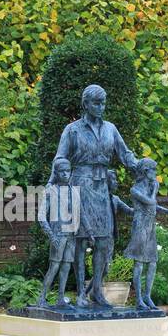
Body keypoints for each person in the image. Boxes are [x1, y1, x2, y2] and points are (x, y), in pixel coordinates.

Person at [53, 84, 139, 307]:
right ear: (85, 104)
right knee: (80, 242)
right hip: (80, 185)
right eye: (96, 103)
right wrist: (52, 189)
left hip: (102, 190)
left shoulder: (110, 128)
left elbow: (125, 153)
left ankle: (97, 291)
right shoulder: (72, 130)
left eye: (103, 103)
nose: (101, 107)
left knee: (103, 241)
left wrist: (139, 165)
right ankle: (81, 292)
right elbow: (59, 159)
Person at [116, 158, 168, 310]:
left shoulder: (151, 186)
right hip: (140, 226)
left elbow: (154, 206)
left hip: (150, 226)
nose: (155, 173)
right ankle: (139, 299)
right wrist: (154, 191)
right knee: (139, 263)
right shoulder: (136, 189)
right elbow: (150, 202)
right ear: (146, 171)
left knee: (152, 262)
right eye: (153, 170)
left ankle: (147, 295)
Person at [37, 158, 79, 307]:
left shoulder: (74, 191)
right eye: (62, 171)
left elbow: (79, 214)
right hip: (58, 235)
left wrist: (88, 232)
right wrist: (51, 235)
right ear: (56, 173)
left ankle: (61, 299)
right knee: (54, 267)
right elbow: (41, 216)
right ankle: (42, 298)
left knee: (66, 266)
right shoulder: (50, 191)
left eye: (68, 171)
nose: (66, 174)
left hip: (71, 236)